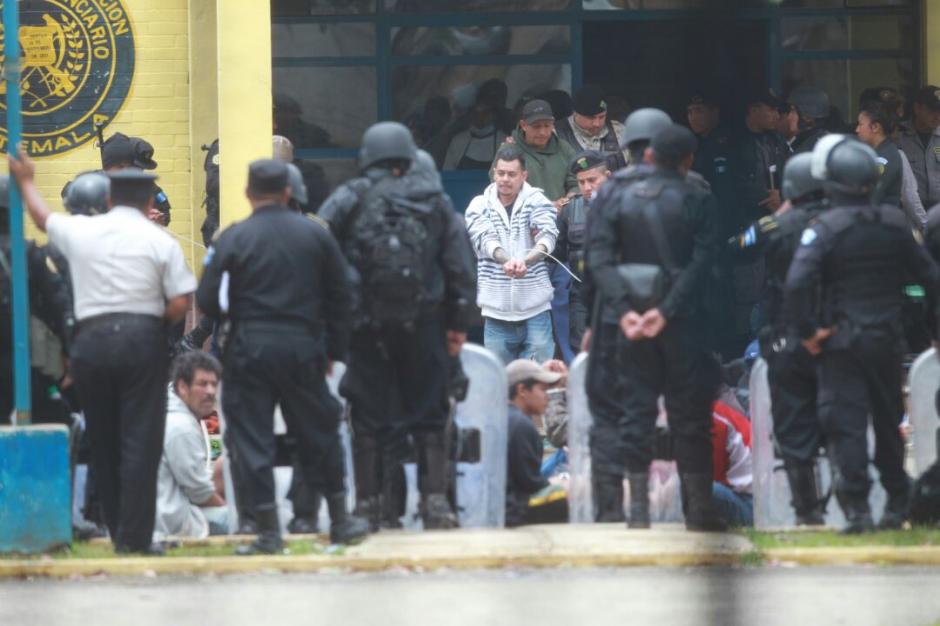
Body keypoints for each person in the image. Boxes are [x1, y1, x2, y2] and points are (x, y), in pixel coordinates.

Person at [10, 153, 195, 555]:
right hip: (141, 340)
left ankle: (115, 530)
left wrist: (26, 180)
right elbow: (182, 301)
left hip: (91, 343)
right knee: (141, 441)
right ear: (149, 201)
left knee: (104, 439)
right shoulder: (159, 239)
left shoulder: (82, 231)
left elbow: (42, 217)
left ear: (110, 199)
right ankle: (136, 539)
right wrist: (153, 323)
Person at [198, 159, 369, 553]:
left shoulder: (232, 237)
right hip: (303, 346)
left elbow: (207, 298)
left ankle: (267, 531)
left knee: (252, 438)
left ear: (247, 194)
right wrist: (333, 350)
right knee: (318, 431)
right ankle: (340, 519)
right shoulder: (316, 235)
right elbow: (342, 298)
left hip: (249, 348)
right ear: (288, 192)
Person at [318, 122, 475, 531]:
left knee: (367, 416)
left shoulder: (349, 197)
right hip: (425, 324)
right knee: (431, 412)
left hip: (366, 329)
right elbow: (459, 267)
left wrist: (334, 321)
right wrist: (458, 324)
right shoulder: (435, 201)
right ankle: (434, 503)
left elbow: (320, 251)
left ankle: (369, 505)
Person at [784, 135, 940, 533]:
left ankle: (857, 510)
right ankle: (896, 504)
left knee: (846, 424)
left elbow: (798, 282)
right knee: (888, 422)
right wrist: (932, 328)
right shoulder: (893, 224)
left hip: (840, 342)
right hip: (887, 340)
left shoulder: (825, 228)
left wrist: (808, 332)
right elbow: (930, 278)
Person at [587, 123, 724, 532]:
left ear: (642, 152)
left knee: (633, 411)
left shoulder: (612, 192)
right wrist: (666, 310)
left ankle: (636, 514)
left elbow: (597, 259)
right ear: (686, 158)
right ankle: (699, 512)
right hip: (684, 322)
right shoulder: (697, 192)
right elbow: (705, 262)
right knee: (691, 417)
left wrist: (624, 311)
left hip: (625, 323)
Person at [580, 108, 672, 522]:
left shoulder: (608, 194)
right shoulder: (688, 189)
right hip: (668, 320)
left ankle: (611, 510)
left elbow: (594, 262)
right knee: (660, 410)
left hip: (614, 319)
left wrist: (598, 318)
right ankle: (651, 506)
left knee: (607, 414)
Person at [729, 152, 828, 525]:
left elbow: (736, 248)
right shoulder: (844, 220)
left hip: (789, 334)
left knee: (792, 420)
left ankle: (806, 510)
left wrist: (777, 215)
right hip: (837, 332)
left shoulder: (778, 225)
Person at [465, 145, 558, 364]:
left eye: (512, 174)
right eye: (501, 173)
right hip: (495, 310)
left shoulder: (538, 201)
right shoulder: (479, 205)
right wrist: (507, 261)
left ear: (524, 175)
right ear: (494, 173)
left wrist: (527, 261)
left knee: (538, 374)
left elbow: (547, 237)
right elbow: (484, 240)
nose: (505, 179)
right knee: (499, 376)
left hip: (536, 308)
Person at [0, 174, 74, 426]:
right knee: (47, 421)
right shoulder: (29, 253)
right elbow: (59, 304)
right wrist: (69, 351)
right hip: (28, 357)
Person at [155, 351, 228, 539]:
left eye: (214, 384)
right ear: (182, 387)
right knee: (236, 521)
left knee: (222, 465)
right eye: (202, 384)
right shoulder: (181, 426)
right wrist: (227, 511)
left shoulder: (204, 416)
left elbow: (215, 453)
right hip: (173, 519)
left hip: (172, 504)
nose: (210, 392)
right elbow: (200, 492)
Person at [554, 150, 610, 356]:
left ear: (608, 176)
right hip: (582, 294)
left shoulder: (625, 205)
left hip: (617, 295)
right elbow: (557, 254)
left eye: (592, 180)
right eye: (581, 182)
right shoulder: (570, 210)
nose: (587, 187)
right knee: (581, 350)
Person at [504, 359, 563, 527]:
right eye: (543, 390)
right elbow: (531, 485)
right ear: (522, 390)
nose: (547, 396)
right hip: (513, 511)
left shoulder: (504, 415)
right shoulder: (521, 425)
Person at [497, 99, 578, 209]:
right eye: (536, 126)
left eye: (547, 126)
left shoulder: (564, 149)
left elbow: (577, 182)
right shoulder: (509, 149)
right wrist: (546, 207)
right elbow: (502, 188)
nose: (542, 132)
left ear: (553, 124)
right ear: (523, 125)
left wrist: (565, 202)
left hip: (561, 214)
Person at [100, 132, 172, 226]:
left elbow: (165, 215)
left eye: (141, 168)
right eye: (135, 167)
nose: (139, 172)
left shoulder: (150, 188)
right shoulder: (95, 184)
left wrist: (158, 219)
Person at [555, 85, 628, 172]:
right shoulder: (556, 134)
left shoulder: (619, 130)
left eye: (601, 117)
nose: (597, 124)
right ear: (575, 113)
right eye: (590, 118)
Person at [897, 85, 940, 209]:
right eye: (932, 111)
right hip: (908, 210)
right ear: (917, 108)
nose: (938, 116)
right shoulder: (898, 135)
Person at [856, 100, 903, 207]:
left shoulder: (885, 157)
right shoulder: (875, 153)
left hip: (881, 215)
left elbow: (872, 196)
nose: (857, 129)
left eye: (860, 124)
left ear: (875, 127)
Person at [787, 86, 832, 153]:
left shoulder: (807, 147)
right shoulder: (826, 139)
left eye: (793, 111)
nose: (789, 117)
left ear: (807, 118)